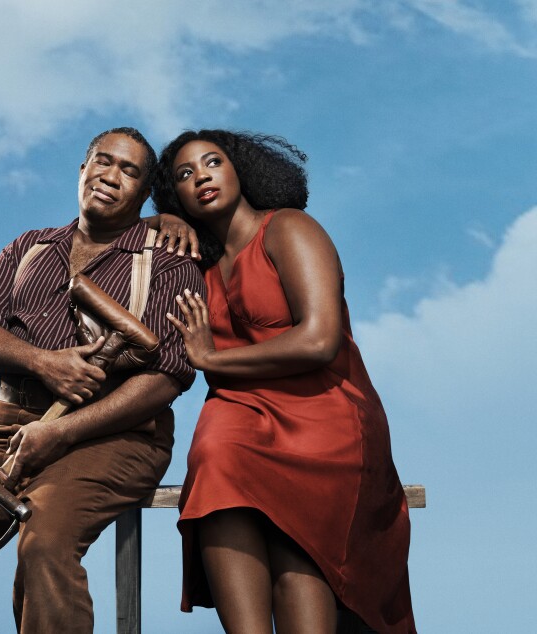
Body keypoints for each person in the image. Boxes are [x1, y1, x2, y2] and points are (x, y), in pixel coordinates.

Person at [0, 127, 205, 634]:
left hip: (111, 436)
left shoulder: (168, 261)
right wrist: (45, 362)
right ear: (82, 169)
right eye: (102, 161)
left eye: (129, 171)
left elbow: (166, 378)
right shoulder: (28, 247)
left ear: (144, 190)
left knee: (44, 545)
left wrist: (63, 431)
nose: (111, 177)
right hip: (4, 427)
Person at [153, 130, 416, 634]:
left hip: (325, 411)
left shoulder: (289, 228)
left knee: (296, 566)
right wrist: (156, 220)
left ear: (241, 170)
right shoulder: (196, 267)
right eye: (184, 175)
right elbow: (117, 247)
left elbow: (320, 340)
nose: (201, 176)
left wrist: (211, 358)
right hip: (242, 414)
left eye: (212, 162)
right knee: (216, 451)